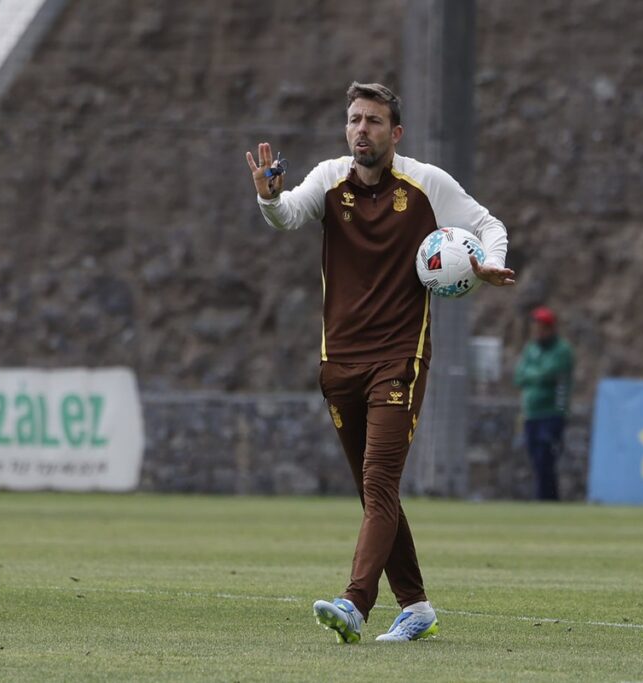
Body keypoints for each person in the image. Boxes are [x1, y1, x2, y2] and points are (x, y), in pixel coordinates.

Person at [246, 82, 515, 644]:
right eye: (353, 120)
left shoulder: (426, 184)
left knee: (379, 480)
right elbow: (288, 215)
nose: (360, 129)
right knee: (377, 495)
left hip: (399, 358)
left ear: (395, 133)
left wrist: (488, 261)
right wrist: (270, 197)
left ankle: (355, 603)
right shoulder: (328, 178)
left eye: (372, 120)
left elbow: (490, 225)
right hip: (339, 362)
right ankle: (415, 606)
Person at [514, 306, 574, 501]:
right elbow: (519, 376)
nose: (537, 331)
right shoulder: (531, 349)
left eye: (542, 327)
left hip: (552, 413)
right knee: (535, 458)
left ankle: (546, 499)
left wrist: (533, 374)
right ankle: (547, 499)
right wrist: (534, 375)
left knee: (545, 458)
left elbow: (548, 374)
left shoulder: (562, 350)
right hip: (531, 413)